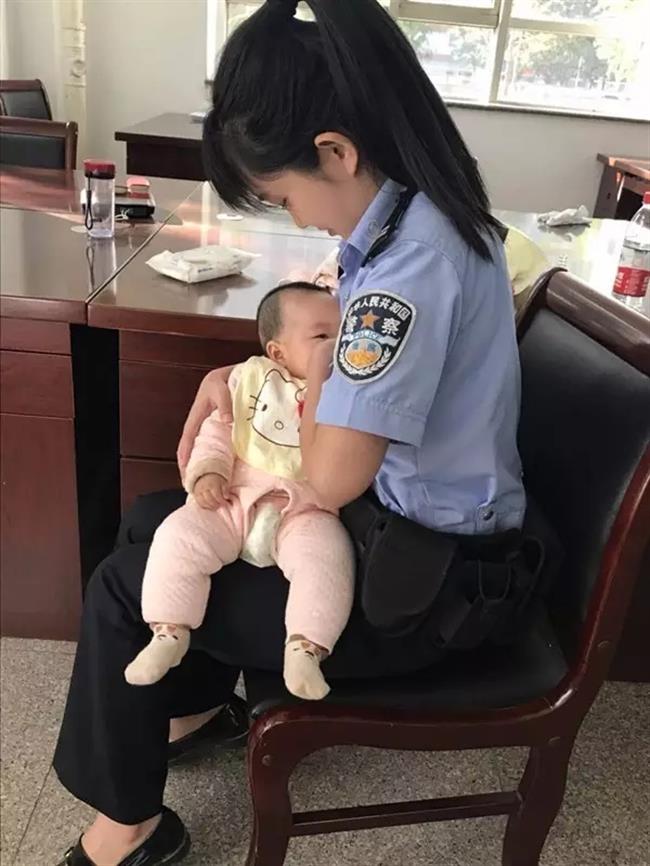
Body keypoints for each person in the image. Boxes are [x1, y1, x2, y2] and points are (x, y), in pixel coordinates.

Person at [54, 1, 525, 863]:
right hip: (401, 535)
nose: (299, 219)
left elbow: (333, 472)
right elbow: (329, 360)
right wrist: (231, 379)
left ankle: (129, 831)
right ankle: (195, 712)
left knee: (127, 583)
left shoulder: (406, 274)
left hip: (422, 589)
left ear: (337, 152)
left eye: (284, 196)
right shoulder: (409, 225)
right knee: (150, 520)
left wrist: (252, 401)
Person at [124, 283, 354, 701]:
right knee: (178, 535)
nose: (336, 345)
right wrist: (208, 473)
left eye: (343, 333)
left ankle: (305, 646)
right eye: (322, 336)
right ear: (278, 352)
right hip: (234, 497)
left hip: (303, 509)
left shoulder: (348, 390)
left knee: (326, 557)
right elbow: (216, 432)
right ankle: (169, 630)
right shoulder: (249, 381)